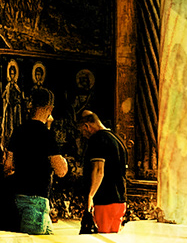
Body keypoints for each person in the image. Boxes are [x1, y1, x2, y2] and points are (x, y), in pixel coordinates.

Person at [9, 88, 67, 234]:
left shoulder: (18, 131)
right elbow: (61, 171)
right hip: (36, 200)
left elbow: (7, 165)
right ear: (50, 109)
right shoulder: (47, 135)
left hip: (19, 197)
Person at [77, 107, 129, 235]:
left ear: (87, 126)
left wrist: (90, 196)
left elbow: (98, 170)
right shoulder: (117, 139)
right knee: (111, 238)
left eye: (82, 131)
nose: (83, 135)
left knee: (100, 239)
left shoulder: (97, 139)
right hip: (120, 201)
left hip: (105, 202)